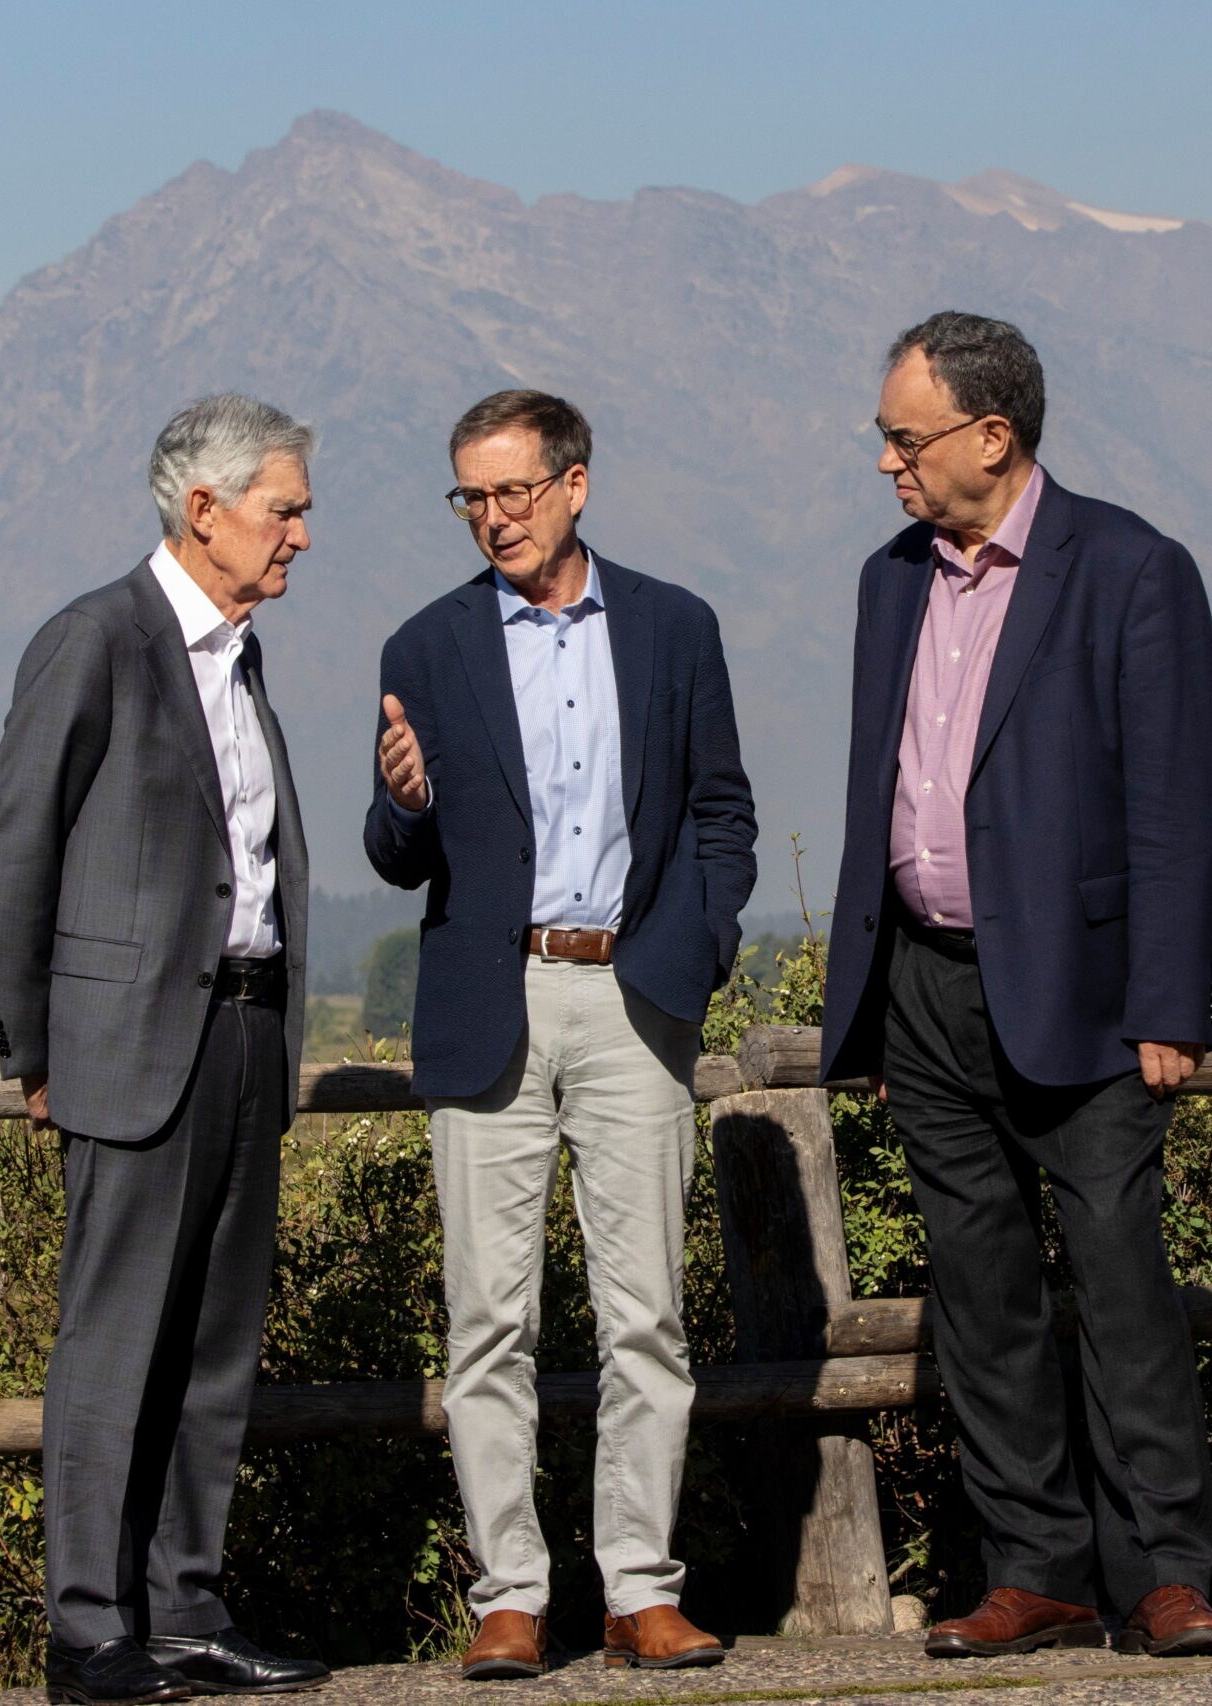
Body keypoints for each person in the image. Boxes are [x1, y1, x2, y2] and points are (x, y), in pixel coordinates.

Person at [818, 313, 1212, 1660]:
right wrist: (877, 990)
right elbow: (881, 787)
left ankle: (1166, 1574)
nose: (889, 461)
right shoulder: (891, 578)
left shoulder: (1131, 569)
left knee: (1121, 1278)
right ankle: (1038, 1570)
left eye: (907, 436)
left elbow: (1179, 803)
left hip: (1096, 993)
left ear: (990, 438)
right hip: (931, 992)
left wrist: (1170, 1002)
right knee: (979, 1291)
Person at [364, 389, 758, 1680]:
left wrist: (694, 953)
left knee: (647, 1316)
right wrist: (403, 804)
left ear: (577, 484)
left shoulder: (675, 629)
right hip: (493, 1001)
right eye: (471, 497)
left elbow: (721, 813)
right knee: (490, 1320)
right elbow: (395, 849)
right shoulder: (423, 646)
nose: (493, 519)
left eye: (514, 492)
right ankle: (511, 1597)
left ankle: (644, 1589)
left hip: (635, 994)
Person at [0, 394, 332, 1704]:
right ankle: (91, 1634)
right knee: (116, 1343)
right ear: (205, 509)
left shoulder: (239, 657)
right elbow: (17, 847)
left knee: (214, 1348)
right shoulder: (98, 640)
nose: (302, 531)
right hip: (128, 1048)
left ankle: (185, 1613)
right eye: (284, 508)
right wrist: (34, 1046)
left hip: (246, 1034)